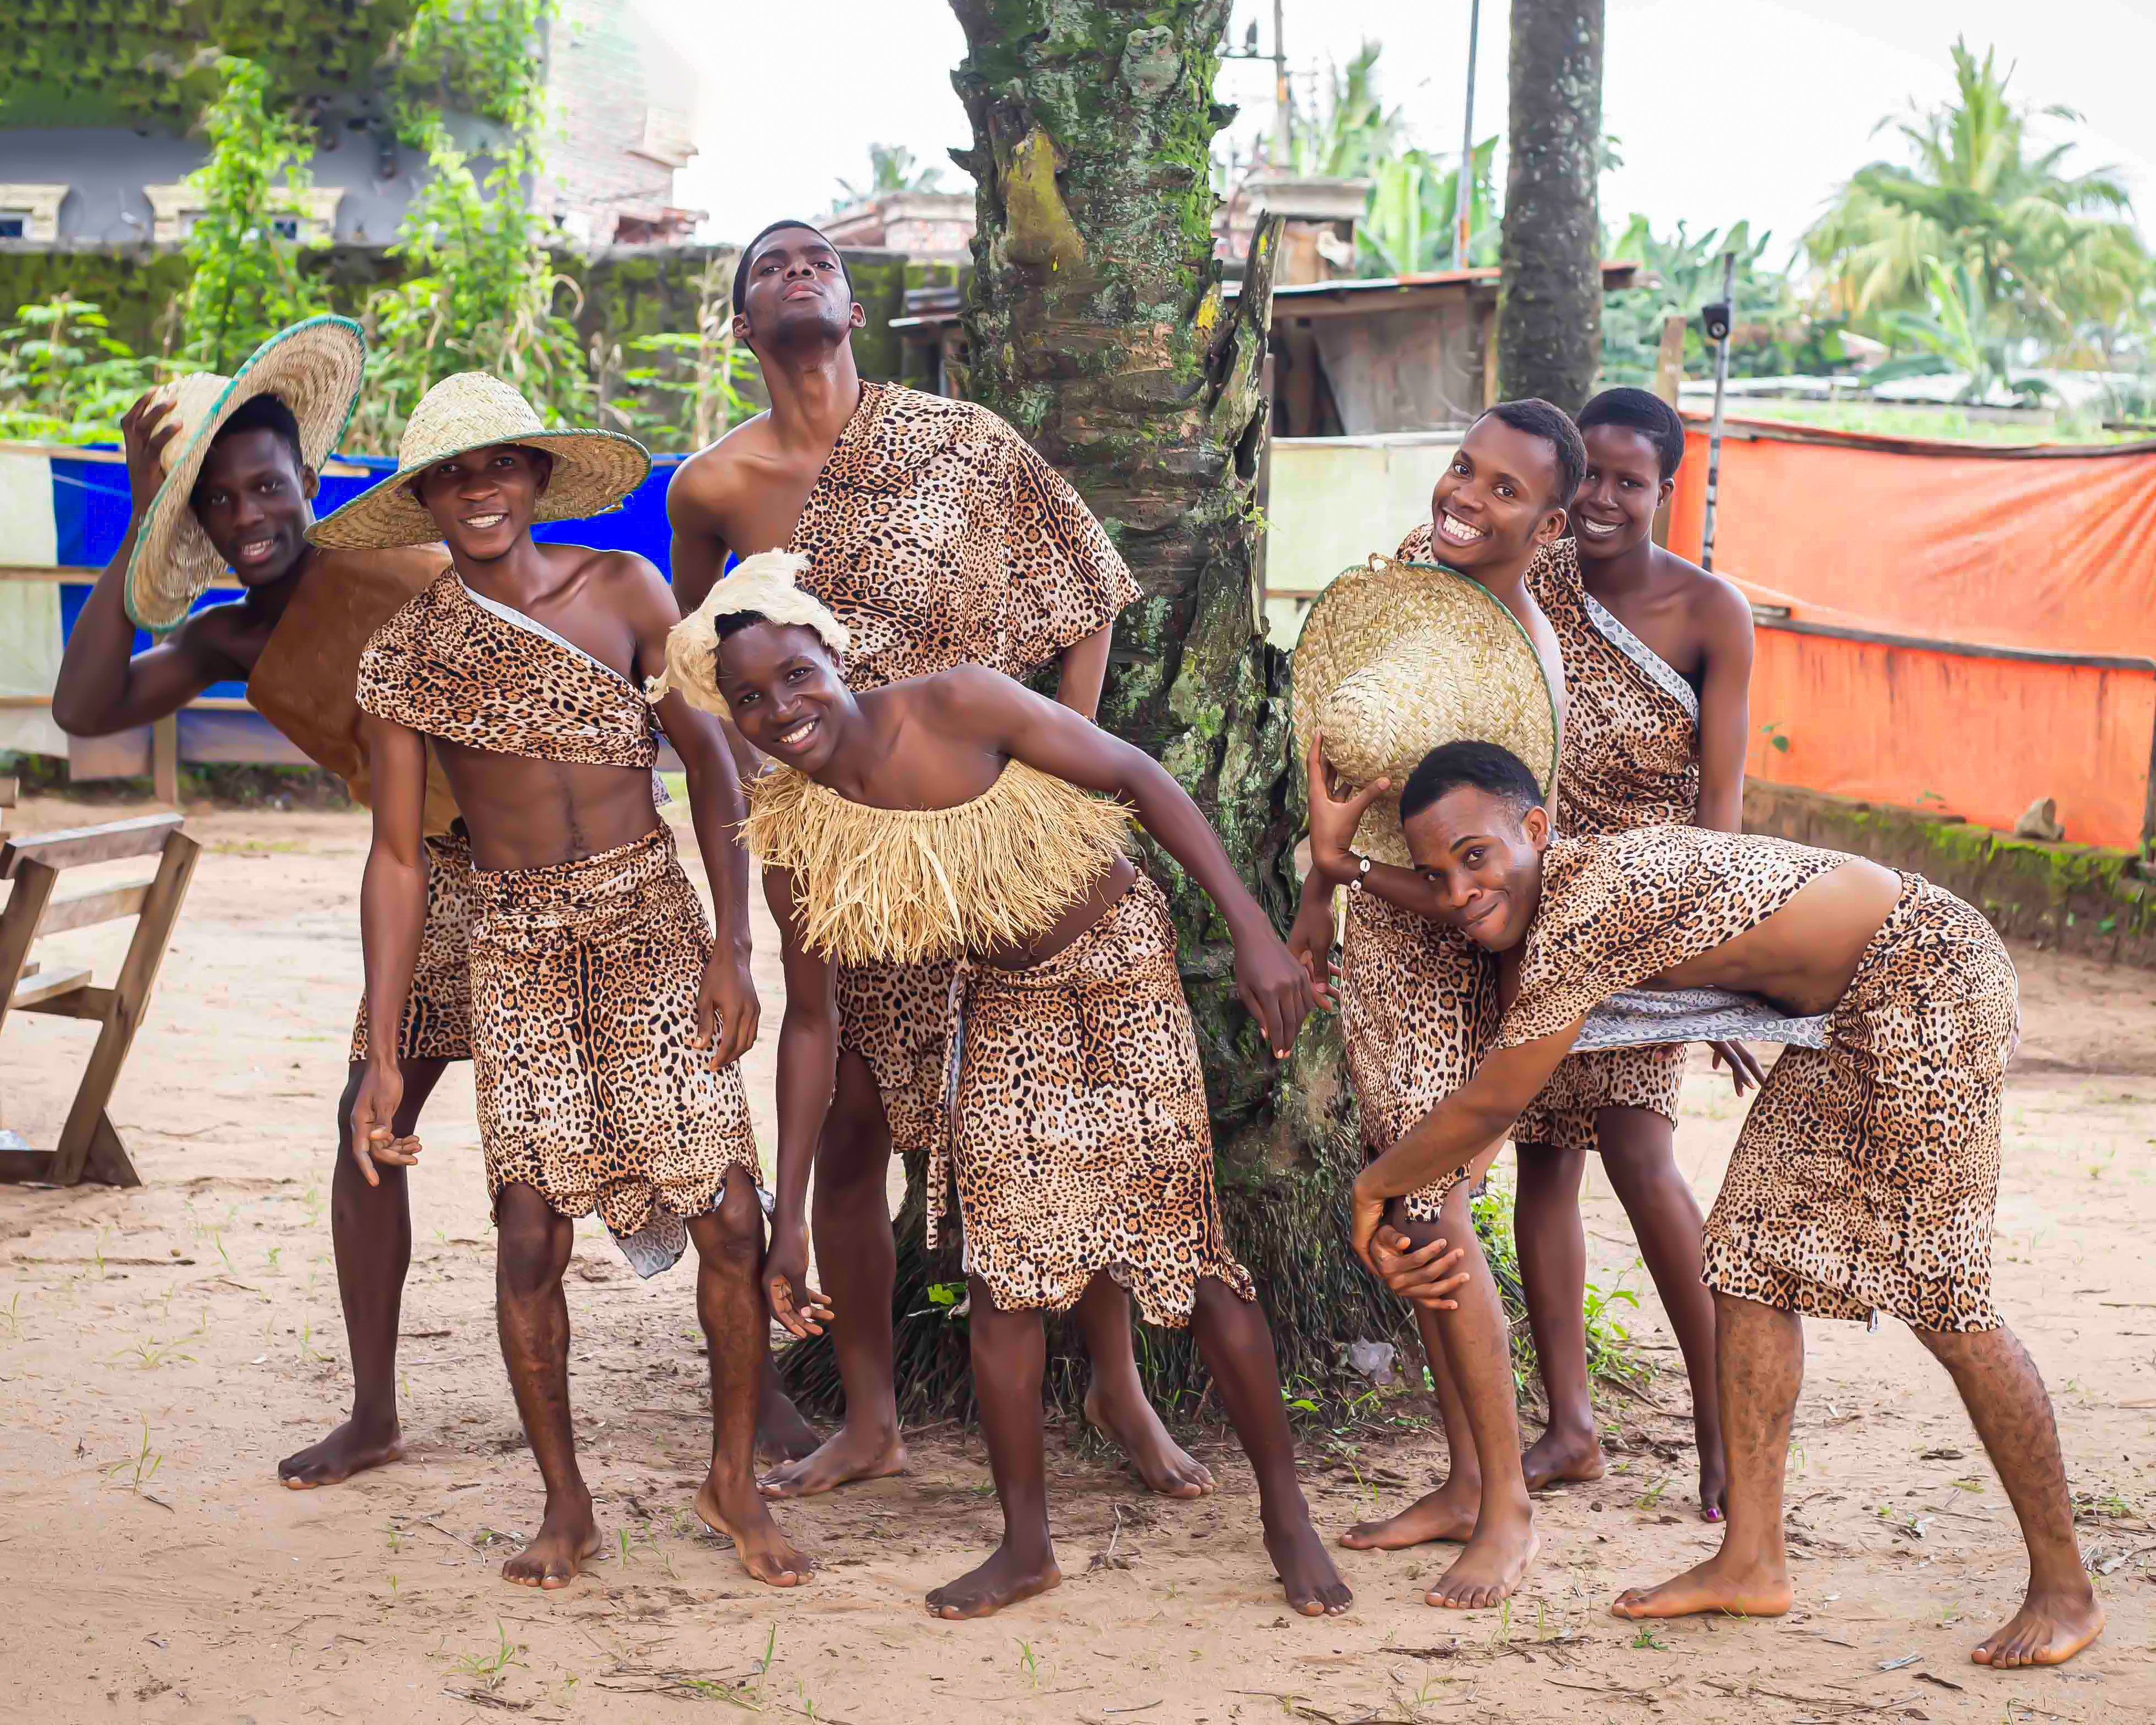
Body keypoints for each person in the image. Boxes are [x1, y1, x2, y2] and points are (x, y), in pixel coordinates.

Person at [643, 550, 1350, 1621]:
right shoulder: (792, 828)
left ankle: (1283, 1517)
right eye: (747, 699)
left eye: (794, 676)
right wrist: (788, 1217)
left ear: (834, 656)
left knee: (1188, 1256)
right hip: (1004, 1004)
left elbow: (1137, 777)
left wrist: (1251, 930)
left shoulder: (957, 701)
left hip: (1117, 973)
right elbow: (814, 1027)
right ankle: (1025, 1547)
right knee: (1001, 1282)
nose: (777, 709)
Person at [1350, 738, 2103, 1672]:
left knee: (1944, 1298)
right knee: (1747, 1257)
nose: (1459, 891)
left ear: (1535, 831)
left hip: (1930, 975)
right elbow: (1493, 1113)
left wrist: (1376, 1184)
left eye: (1477, 856)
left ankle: (2066, 1588)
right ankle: (1753, 1558)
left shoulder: (1584, 904)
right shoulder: (1556, 917)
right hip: (1852, 1011)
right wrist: (1343, 868)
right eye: (1437, 873)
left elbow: (1493, 1101)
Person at [666, 218, 1200, 1505]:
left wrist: (1053, 783)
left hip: (992, 832)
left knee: (1063, 1122)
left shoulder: (960, 440)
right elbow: (692, 677)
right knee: (851, 1123)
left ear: (855, 309)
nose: (798, 269)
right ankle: (869, 1415)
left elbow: (1083, 590)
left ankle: (1116, 1385)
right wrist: (766, 810)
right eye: (769, 265)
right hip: (847, 846)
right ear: (743, 326)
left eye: (818, 261)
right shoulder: (711, 487)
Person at [322, 372, 801, 1592]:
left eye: (498, 467)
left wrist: (731, 949)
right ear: (424, 500)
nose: (478, 491)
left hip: (648, 917)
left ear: (536, 478)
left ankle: (731, 1478)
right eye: (451, 476)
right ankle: (565, 1502)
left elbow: (709, 766)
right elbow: (393, 857)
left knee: (728, 1219)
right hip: (516, 943)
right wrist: (384, 1049)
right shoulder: (409, 653)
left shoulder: (627, 590)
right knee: (527, 1230)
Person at [49, 317, 476, 1491]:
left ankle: (773, 1403)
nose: (247, 520)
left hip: (551, 871)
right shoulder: (232, 632)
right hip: (425, 890)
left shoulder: (404, 556)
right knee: (367, 1135)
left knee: (658, 1133)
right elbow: (86, 708)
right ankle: (376, 1412)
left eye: (266, 488)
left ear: (311, 479)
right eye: (216, 505)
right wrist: (141, 518)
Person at [1287, 399, 1581, 1608]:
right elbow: (1359, 763)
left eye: (1503, 490)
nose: (1467, 494)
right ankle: (1462, 1478)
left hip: (1448, 964)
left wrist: (1341, 866)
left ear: (1549, 524)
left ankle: (1506, 1506)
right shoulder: (1426, 594)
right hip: (1384, 951)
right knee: (1408, 1217)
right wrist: (1324, 890)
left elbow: (1478, 891)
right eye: (1463, 468)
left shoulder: (1516, 661)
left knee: (1433, 1214)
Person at [1506, 387, 1760, 1517]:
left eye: (1625, 480)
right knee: (1538, 1159)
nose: (1601, 499)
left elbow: (1720, 803)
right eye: (1587, 477)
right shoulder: (1528, 579)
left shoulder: (1710, 612)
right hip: (1527, 906)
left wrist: (1712, 964)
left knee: (1640, 1157)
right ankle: (1567, 1428)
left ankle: (1725, 1430)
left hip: (1645, 921)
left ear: (1662, 487)